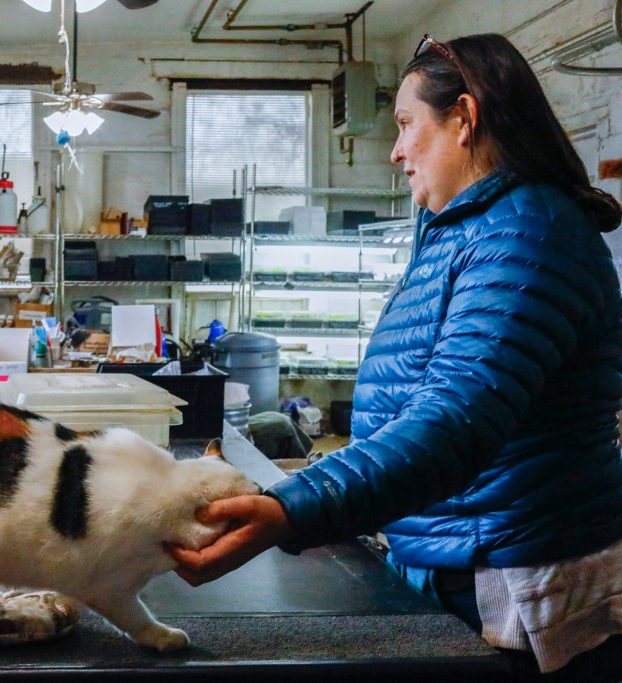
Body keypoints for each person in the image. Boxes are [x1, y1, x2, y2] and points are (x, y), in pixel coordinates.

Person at [171, 33, 622, 679]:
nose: (396, 150)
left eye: (407, 124)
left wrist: (296, 506)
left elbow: (455, 418)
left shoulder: (528, 232)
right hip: (456, 550)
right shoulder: (463, 230)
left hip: (516, 574)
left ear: (463, 118)